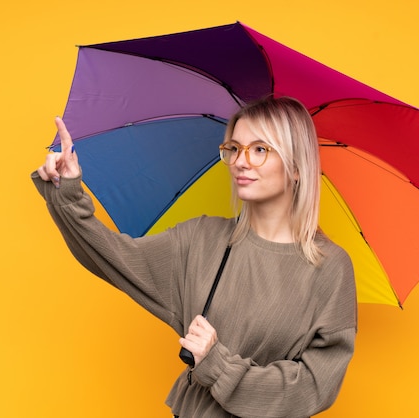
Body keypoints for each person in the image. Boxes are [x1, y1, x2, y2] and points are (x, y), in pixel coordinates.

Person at [32, 96, 357, 417]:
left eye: (260, 149)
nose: (241, 162)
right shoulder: (202, 238)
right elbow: (113, 257)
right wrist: (68, 191)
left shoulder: (330, 269)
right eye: (234, 148)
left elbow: (314, 388)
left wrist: (217, 364)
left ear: (297, 167)